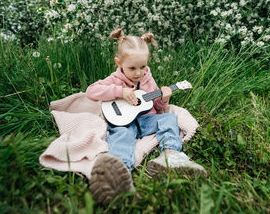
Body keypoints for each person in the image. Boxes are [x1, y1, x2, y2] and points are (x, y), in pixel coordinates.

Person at [86, 28, 207, 205]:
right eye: (132, 68)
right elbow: (91, 91)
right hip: (122, 122)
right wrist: (120, 91)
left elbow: (156, 107)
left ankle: (170, 155)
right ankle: (119, 174)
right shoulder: (114, 79)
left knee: (168, 119)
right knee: (122, 136)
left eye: (142, 67)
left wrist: (164, 99)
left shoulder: (147, 79)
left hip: (145, 120)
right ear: (119, 63)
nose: (138, 73)